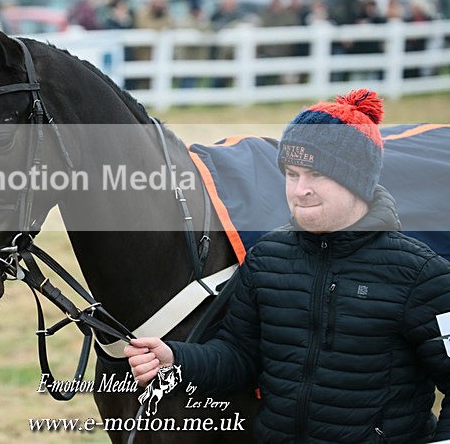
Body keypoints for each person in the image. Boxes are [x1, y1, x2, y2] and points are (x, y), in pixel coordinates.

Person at [126, 89, 450, 442]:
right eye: (292, 174)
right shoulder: (268, 259)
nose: (300, 190)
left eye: (316, 174)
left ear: (357, 179)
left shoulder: (421, 275)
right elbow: (239, 357)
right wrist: (176, 359)